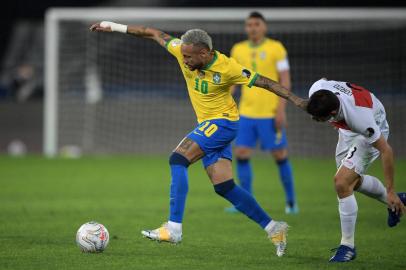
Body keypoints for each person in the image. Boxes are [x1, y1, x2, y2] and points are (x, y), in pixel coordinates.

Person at [90, 21, 306, 257]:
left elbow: (265, 81)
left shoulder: (228, 67)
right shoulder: (181, 49)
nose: (184, 60)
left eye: (189, 57)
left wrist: (297, 101)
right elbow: (152, 33)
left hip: (223, 123)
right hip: (210, 125)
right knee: (224, 187)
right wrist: (112, 26)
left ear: (205, 53)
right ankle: (274, 228)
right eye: (182, 55)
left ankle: (174, 228)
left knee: (178, 159)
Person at [306, 78, 406, 262]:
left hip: (374, 127)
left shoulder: (361, 120)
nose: (316, 121)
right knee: (348, 184)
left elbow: (387, 151)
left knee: (342, 182)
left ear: (333, 113)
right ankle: (396, 201)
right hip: (347, 131)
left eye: (319, 118)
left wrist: (390, 188)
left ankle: (348, 246)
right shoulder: (318, 90)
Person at [229, 11, 297, 214]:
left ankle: (291, 203)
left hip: (270, 113)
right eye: (249, 24)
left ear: (264, 27)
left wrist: (281, 110)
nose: (253, 28)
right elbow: (232, 80)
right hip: (246, 113)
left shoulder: (276, 48)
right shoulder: (238, 49)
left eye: (256, 24)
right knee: (241, 153)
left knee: (279, 154)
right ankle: (245, 203)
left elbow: (285, 80)